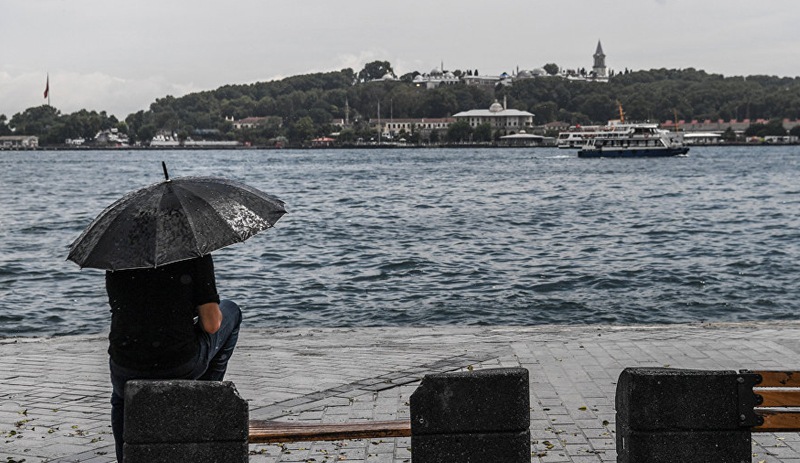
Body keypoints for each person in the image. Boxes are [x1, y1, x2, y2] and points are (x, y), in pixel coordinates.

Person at [105, 254, 241, 462]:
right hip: (179, 363)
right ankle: (204, 396)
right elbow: (211, 324)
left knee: (121, 395)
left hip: (126, 365)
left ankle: (125, 456)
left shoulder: (117, 256)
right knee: (232, 310)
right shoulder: (193, 255)